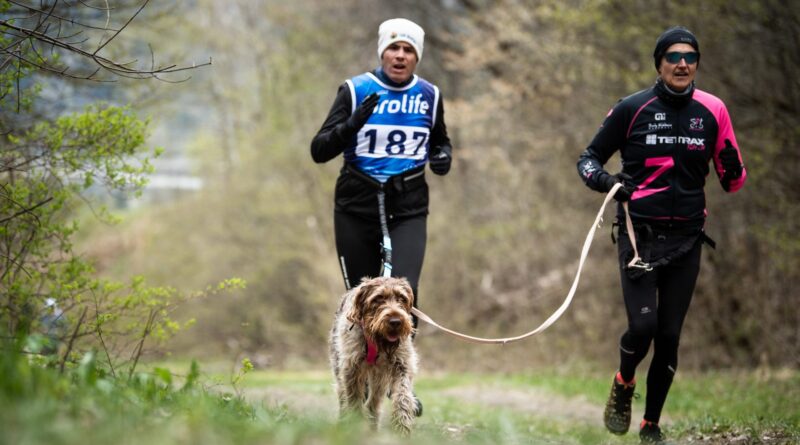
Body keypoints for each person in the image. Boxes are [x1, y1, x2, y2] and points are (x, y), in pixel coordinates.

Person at [576, 26, 746, 444]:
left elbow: (734, 180)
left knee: (669, 335)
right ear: (659, 63)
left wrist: (729, 161)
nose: (683, 63)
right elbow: (588, 157)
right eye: (673, 56)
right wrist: (603, 180)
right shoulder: (632, 108)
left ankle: (651, 425)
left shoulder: (713, 110)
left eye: (690, 56)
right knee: (643, 327)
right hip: (640, 235)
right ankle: (624, 381)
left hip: (688, 237)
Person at [310, 18, 453, 416]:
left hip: (407, 205)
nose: (401, 56)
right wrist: (351, 125)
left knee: (407, 287)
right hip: (357, 205)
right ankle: (351, 385)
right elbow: (319, 149)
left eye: (409, 50)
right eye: (394, 48)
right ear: (382, 52)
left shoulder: (430, 94)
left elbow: (440, 141)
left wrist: (443, 157)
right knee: (360, 297)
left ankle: (399, 384)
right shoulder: (355, 90)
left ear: (417, 56)